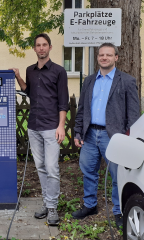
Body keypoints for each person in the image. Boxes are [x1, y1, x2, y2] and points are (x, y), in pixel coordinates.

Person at [72, 43, 140, 229]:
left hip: (114, 137)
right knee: (88, 172)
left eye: (108, 55)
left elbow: (134, 115)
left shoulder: (126, 81)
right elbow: (82, 109)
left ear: (116, 57)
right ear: (98, 57)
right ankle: (90, 205)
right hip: (90, 133)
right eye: (101, 55)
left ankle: (118, 211)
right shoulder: (89, 81)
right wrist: (78, 131)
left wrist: (128, 139)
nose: (104, 58)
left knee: (117, 176)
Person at [11, 33, 69, 226]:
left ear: (50, 48)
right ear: (34, 49)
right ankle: (47, 203)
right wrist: (19, 76)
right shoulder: (30, 70)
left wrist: (61, 126)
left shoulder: (59, 71)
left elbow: (63, 101)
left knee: (52, 168)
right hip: (34, 127)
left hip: (52, 127)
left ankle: (53, 208)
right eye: (38, 45)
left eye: (45, 45)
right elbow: (28, 92)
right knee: (41, 168)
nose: (41, 48)